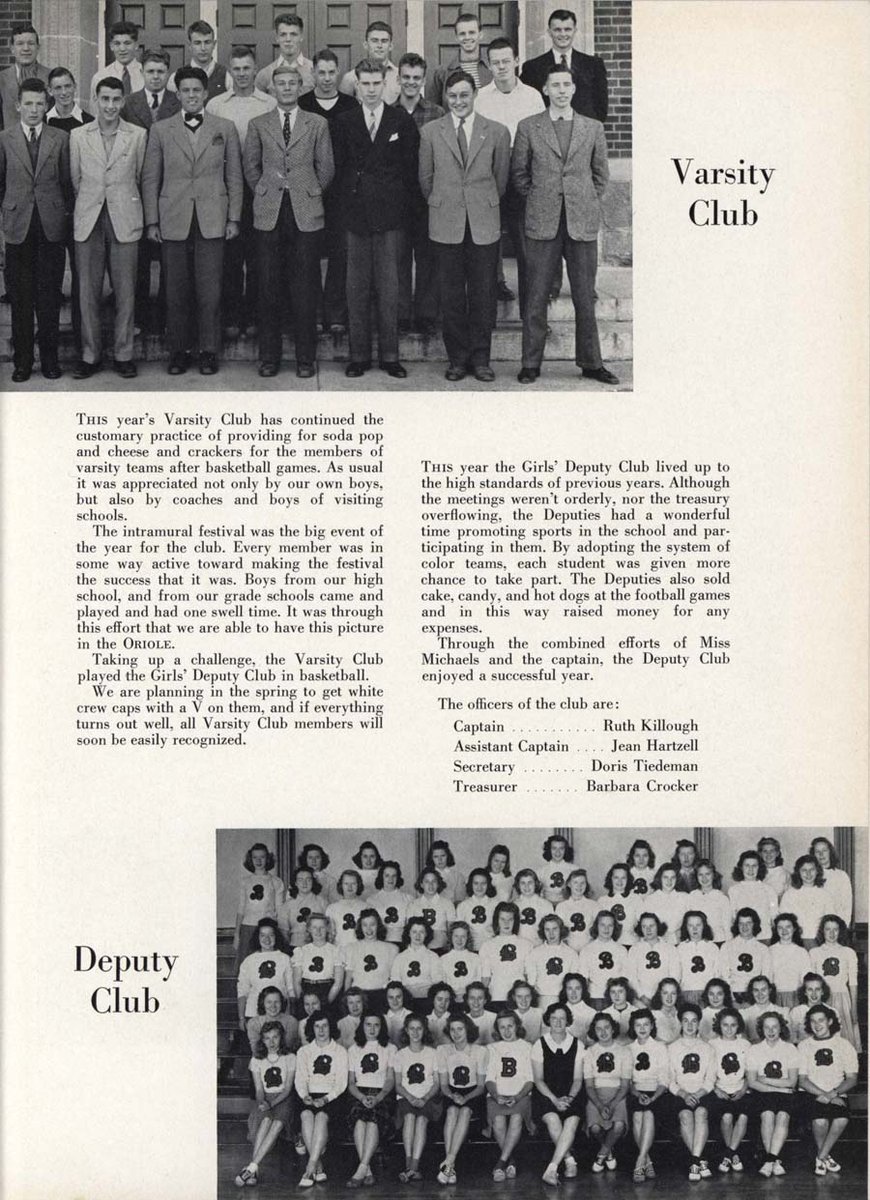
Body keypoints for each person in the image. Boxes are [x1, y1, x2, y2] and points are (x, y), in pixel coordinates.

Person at [512, 64, 617, 385]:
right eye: (554, 85)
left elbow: (601, 176)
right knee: (535, 295)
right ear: (545, 90)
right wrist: (542, 198)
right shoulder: (529, 127)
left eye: (565, 85)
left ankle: (591, 362)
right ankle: (531, 362)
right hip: (542, 222)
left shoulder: (592, 128)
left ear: (573, 89)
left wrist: (581, 199)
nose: (560, 90)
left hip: (581, 222)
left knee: (585, 296)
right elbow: (519, 175)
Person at [142, 65, 242, 375]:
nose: (191, 96)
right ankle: (179, 351)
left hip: (212, 216)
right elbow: (149, 178)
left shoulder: (224, 128)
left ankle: (209, 350)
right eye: (185, 90)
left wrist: (234, 218)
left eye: (197, 90)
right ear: (178, 94)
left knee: (210, 290)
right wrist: (152, 221)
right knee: (176, 290)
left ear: (206, 93)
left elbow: (234, 176)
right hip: (173, 217)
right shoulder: (161, 129)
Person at [418, 70, 510, 382]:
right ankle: (457, 359)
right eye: (452, 96)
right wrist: (448, 202)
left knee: (484, 294)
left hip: (483, 222)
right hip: (446, 223)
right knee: (451, 294)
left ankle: (481, 359)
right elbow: (425, 179)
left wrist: (477, 203)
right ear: (445, 97)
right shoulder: (431, 132)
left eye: (464, 95)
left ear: (474, 96)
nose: (458, 101)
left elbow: (500, 180)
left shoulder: (496, 132)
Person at [243, 63, 332, 379]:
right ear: (271, 89)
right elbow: (250, 167)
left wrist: (307, 191)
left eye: (293, 83)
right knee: (268, 286)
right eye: (280, 83)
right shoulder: (258, 124)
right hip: (269, 213)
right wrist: (268, 190)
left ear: (301, 87)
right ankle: (269, 357)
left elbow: (326, 168)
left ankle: (305, 358)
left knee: (305, 287)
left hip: (305, 213)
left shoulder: (317, 123)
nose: (286, 88)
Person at [332, 59, 418, 380]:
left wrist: (401, 212)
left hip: (389, 215)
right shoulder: (343, 121)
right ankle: (358, 356)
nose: (370, 89)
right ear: (356, 85)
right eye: (364, 84)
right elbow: (338, 171)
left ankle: (390, 355)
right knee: (356, 287)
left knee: (389, 286)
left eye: (375, 83)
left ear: (385, 84)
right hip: (355, 215)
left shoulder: (400, 121)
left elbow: (409, 172)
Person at [69, 77, 146, 380]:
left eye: (116, 99)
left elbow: (139, 177)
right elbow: (76, 180)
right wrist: (93, 202)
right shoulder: (78, 136)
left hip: (124, 218)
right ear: (95, 100)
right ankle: (90, 355)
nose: (111, 105)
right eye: (105, 99)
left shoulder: (138, 135)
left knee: (125, 290)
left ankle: (123, 353)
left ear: (123, 101)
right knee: (87, 290)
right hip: (89, 218)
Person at [0, 77, 70, 381]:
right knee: (21, 298)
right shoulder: (4, 139)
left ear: (48, 104)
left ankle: (51, 359)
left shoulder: (60, 138)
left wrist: (62, 219)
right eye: (28, 103)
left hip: (51, 229)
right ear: (17, 106)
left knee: (49, 297)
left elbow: (67, 184)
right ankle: (23, 361)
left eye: (40, 103)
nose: (34, 109)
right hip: (18, 227)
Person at [207, 46, 276, 340]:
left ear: (255, 69)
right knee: (231, 258)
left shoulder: (269, 103)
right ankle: (233, 317)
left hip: (261, 187)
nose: (242, 74)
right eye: (236, 69)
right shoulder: (216, 105)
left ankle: (259, 318)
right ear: (230, 72)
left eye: (247, 68)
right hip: (227, 187)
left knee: (261, 257)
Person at [475, 38, 545, 309]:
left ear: (516, 61)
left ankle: (531, 311)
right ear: (489, 65)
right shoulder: (481, 98)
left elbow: (539, 139)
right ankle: (491, 299)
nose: (501, 67)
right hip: (490, 175)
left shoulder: (532, 97)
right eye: (495, 62)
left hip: (523, 175)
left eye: (506, 61)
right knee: (488, 243)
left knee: (526, 246)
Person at [299, 48, 357, 334]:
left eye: (331, 72)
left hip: (343, 193)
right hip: (307, 190)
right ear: (312, 74)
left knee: (340, 253)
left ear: (339, 73)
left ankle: (335, 311)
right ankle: (311, 311)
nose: (326, 78)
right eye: (320, 72)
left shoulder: (351, 105)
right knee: (306, 254)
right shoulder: (301, 104)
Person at [122, 49, 180, 332]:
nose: (155, 76)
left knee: (171, 256)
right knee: (141, 258)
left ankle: (169, 319)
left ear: (167, 73)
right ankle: (142, 319)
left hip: (172, 186)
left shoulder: (177, 101)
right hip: (137, 186)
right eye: (150, 71)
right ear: (141, 73)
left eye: (160, 71)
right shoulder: (129, 103)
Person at [392, 53, 443, 335]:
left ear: (423, 81)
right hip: (398, 198)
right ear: (398, 79)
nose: (411, 83)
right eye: (406, 78)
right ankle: (400, 314)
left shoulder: (436, 113)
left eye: (416, 78)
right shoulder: (388, 113)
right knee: (398, 258)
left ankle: (426, 314)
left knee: (427, 258)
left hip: (429, 198)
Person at [46, 66, 91, 360]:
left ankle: (81, 341)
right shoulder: (43, 121)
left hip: (81, 212)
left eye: (67, 86)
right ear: (50, 91)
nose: (63, 92)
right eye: (57, 87)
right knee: (49, 279)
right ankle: (47, 339)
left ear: (75, 87)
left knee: (81, 279)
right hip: (50, 214)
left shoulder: (88, 122)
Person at [797, 1004, 858, 1176]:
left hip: (837, 1092)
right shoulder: (804, 1046)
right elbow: (802, 1080)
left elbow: (852, 1079)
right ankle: (825, 1157)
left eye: (821, 1020)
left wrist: (832, 1094)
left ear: (830, 1021)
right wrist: (823, 1094)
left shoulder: (844, 1045)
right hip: (811, 1093)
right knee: (820, 1121)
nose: (817, 1025)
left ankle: (821, 1156)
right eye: (813, 1021)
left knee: (841, 1119)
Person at [234, 1020, 296, 1188]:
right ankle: (255, 1170)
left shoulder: (290, 1057)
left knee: (276, 1123)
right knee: (265, 1121)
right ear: (262, 1040)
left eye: (275, 1037)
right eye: (267, 1038)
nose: (272, 1042)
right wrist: (263, 1102)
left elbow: (288, 1088)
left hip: (284, 1099)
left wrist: (273, 1103)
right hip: (266, 1098)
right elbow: (259, 1089)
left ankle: (252, 1167)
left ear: (281, 1037)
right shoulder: (257, 1059)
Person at [520, 7, 608, 122]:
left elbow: (601, 106)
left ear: (575, 31)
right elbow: (527, 104)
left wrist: (590, 130)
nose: (563, 34)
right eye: (557, 30)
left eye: (567, 29)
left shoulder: (594, 65)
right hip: (546, 132)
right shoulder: (532, 67)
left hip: (583, 132)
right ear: (549, 32)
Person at [295, 1012, 349, 1188]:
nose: (321, 1030)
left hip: (333, 1098)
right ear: (312, 1029)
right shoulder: (304, 1051)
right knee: (306, 1115)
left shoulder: (340, 1051)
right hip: (309, 1095)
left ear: (331, 1027)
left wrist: (325, 1099)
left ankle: (310, 1166)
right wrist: (305, 1096)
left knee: (320, 1117)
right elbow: (300, 1079)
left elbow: (341, 1083)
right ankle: (318, 1166)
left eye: (324, 1026)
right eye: (317, 1026)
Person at [532, 1002, 583, 1185]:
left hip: (571, 1093)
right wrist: (554, 1100)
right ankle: (569, 1160)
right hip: (546, 1094)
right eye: (554, 1018)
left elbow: (578, 1079)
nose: (558, 1022)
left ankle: (551, 1168)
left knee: (572, 1120)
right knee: (553, 1118)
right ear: (548, 1020)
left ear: (568, 1020)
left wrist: (568, 1098)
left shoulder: (578, 1044)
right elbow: (538, 1079)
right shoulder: (539, 1044)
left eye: (562, 1018)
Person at [436, 1013, 488, 1185]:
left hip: (473, 1094)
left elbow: (481, 1086)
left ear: (468, 1030)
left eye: (460, 1029)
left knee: (464, 1111)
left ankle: (449, 1162)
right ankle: (450, 1166)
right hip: (452, 1092)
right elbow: (443, 1085)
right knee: (451, 1111)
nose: (456, 1033)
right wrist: (453, 1096)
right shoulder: (443, 1050)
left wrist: (465, 1098)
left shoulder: (480, 1051)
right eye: (452, 1029)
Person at [345, 1013, 395, 1188]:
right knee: (360, 1120)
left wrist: (378, 1097)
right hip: (359, 1094)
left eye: (376, 1025)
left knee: (373, 1120)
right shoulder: (353, 1049)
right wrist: (362, 1097)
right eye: (368, 1025)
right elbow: (351, 1083)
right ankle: (366, 1170)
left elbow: (390, 1080)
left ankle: (362, 1169)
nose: (372, 1029)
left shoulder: (390, 1048)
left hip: (382, 1094)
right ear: (362, 1026)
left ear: (382, 1028)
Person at [667, 1003, 716, 1181]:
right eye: (686, 1021)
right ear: (680, 1022)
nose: (689, 1025)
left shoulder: (707, 1048)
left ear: (699, 1023)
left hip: (703, 1093)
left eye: (694, 1021)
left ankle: (694, 1161)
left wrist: (698, 1094)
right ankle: (700, 1160)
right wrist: (684, 1095)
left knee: (701, 1113)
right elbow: (669, 1079)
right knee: (686, 1116)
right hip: (680, 1094)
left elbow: (710, 1080)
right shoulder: (672, 1048)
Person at [747, 1012, 798, 1176]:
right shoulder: (754, 1050)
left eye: (775, 1026)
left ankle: (769, 1161)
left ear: (781, 1028)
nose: (771, 1030)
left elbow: (792, 1081)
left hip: (784, 1093)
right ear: (761, 1029)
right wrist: (779, 1087)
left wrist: (766, 1079)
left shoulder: (790, 1048)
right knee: (767, 1116)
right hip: (763, 1093)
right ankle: (774, 1160)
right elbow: (753, 1082)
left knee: (782, 1116)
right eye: (766, 1027)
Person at [486, 1010, 534, 1180]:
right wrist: (496, 1095)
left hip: (521, 1095)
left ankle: (500, 1163)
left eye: (510, 1026)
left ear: (517, 1026)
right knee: (498, 1120)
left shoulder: (527, 1047)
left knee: (516, 1117)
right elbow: (489, 1079)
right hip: (497, 1095)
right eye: (502, 1027)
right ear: (497, 1030)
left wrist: (518, 1097)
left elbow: (530, 1080)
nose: (506, 1031)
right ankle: (511, 1161)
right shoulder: (492, 1048)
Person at [394, 1013, 442, 1182]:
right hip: (407, 1098)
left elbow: (436, 1083)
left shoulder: (433, 1053)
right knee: (409, 1117)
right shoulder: (400, 1054)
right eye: (412, 1029)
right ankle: (409, 1165)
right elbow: (398, 1085)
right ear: (406, 1031)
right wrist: (411, 1097)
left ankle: (414, 1166)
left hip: (428, 1099)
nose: (415, 1032)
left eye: (419, 1028)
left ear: (424, 1030)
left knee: (421, 1120)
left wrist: (425, 1097)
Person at [584, 1011, 630, 1172]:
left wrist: (611, 1105)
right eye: (598, 1029)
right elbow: (589, 1085)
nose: (603, 1032)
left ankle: (601, 1155)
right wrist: (599, 1105)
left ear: (613, 1029)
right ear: (594, 1031)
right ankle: (609, 1152)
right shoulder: (589, 1052)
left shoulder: (624, 1051)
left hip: (618, 1094)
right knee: (595, 1128)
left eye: (607, 1027)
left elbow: (625, 1085)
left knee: (618, 1126)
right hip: (596, 1094)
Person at [627, 1008, 669, 1181]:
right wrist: (637, 1094)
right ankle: (647, 1161)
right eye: (638, 1025)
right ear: (633, 1027)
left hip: (657, 1092)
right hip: (636, 1091)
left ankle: (639, 1161)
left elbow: (664, 1080)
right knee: (638, 1115)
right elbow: (627, 1081)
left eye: (646, 1024)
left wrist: (653, 1097)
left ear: (652, 1026)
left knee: (649, 1113)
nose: (642, 1028)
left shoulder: (660, 1047)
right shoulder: (628, 1048)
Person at [707, 1008, 751, 1174]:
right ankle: (733, 1154)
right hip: (720, 1090)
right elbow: (708, 1073)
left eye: (733, 1025)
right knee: (726, 1117)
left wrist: (743, 1090)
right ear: (719, 1025)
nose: (729, 1029)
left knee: (743, 1116)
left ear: (738, 1026)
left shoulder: (745, 1044)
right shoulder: (712, 1044)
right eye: (725, 1025)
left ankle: (728, 1155)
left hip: (741, 1090)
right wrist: (716, 1090)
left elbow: (749, 1074)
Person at [809, 914, 861, 1049]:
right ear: (822, 931)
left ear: (840, 931)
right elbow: (811, 982)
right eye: (828, 929)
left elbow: (853, 983)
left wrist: (853, 1009)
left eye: (835, 930)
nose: (831, 933)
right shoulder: (814, 952)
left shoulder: (848, 952)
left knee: (842, 1040)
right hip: (821, 999)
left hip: (842, 998)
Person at [236, 918, 294, 1034]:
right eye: (262, 935)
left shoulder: (285, 959)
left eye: (271, 935)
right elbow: (242, 992)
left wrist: (288, 1016)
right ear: (257, 938)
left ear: (276, 937)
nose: (267, 939)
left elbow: (290, 991)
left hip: (279, 1013)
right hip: (253, 1013)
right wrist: (241, 1018)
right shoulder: (249, 961)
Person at [232, 843, 285, 969]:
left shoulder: (276, 882)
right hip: (248, 928)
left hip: (267, 928)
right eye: (255, 857)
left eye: (262, 857)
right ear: (251, 859)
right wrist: (236, 934)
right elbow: (241, 908)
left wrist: (281, 933)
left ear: (268, 859)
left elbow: (280, 910)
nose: (258, 861)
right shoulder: (245, 881)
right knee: (247, 966)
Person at [342, 908, 398, 1012]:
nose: (369, 929)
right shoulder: (351, 948)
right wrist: (346, 1001)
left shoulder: (391, 948)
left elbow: (393, 978)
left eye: (372, 924)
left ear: (378, 926)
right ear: (360, 927)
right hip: (359, 997)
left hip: (381, 995)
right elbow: (348, 979)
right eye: (365, 925)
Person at [478, 902, 532, 1007]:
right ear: (496, 921)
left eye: (510, 919)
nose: (506, 923)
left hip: (520, 999)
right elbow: (486, 977)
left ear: (515, 921)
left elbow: (528, 975)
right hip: (496, 996)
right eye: (502, 919)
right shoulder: (487, 945)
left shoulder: (527, 945)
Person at [0, 23, 50, 130]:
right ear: (12, 49)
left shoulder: (50, 76)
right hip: (8, 144)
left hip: (43, 143)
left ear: (38, 48)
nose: (26, 48)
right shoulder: (2, 79)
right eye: (20, 43)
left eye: (31, 43)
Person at [291, 912, 344, 1010]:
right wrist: (303, 1002)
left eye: (322, 927)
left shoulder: (335, 951)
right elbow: (296, 982)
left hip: (327, 991)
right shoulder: (301, 951)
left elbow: (338, 982)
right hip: (306, 990)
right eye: (314, 927)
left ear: (327, 929)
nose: (318, 931)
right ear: (309, 929)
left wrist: (326, 1002)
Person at [168, 20, 231, 100]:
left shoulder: (226, 76)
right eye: (197, 43)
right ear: (190, 45)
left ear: (214, 44)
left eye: (207, 42)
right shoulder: (175, 78)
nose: (203, 48)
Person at [255, 12, 314, 97]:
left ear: (301, 37)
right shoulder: (265, 74)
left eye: (293, 34)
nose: (288, 39)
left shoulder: (314, 71)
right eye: (283, 34)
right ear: (277, 38)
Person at [340, 22, 400, 104]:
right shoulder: (351, 77)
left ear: (390, 46)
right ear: (366, 45)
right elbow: (344, 110)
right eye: (374, 41)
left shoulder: (399, 76)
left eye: (384, 41)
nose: (379, 45)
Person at [629, 912, 680, 1004]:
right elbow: (631, 975)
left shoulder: (669, 948)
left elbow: (675, 974)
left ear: (658, 926)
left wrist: (666, 995)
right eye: (644, 926)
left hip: (665, 998)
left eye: (651, 926)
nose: (648, 930)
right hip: (642, 999)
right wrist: (641, 996)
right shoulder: (635, 949)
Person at [729, 849, 778, 940]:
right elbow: (732, 918)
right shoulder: (734, 890)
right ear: (741, 867)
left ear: (759, 868)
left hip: (764, 937)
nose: (750, 869)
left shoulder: (769, 890)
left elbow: (774, 918)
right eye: (747, 865)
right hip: (742, 938)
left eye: (754, 866)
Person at [92, 21, 144, 107]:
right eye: (117, 44)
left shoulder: (146, 75)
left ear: (136, 45)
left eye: (127, 43)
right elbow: (95, 111)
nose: (122, 49)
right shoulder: (100, 77)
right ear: (111, 46)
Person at [767, 913, 812, 1009]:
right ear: (776, 930)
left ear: (794, 928)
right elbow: (768, 977)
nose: (784, 931)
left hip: (796, 997)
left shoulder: (801, 952)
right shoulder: (770, 951)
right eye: (780, 927)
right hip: (776, 997)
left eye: (788, 927)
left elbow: (805, 979)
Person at [675, 911, 721, 1004]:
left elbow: (717, 973)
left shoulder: (712, 947)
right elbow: (677, 974)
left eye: (698, 925)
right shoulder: (680, 948)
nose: (695, 929)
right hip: (686, 992)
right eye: (690, 925)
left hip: (708, 994)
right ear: (686, 927)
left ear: (704, 926)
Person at [277, 866, 326, 950]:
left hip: (318, 947)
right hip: (294, 947)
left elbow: (328, 928)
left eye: (308, 879)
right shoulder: (288, 905)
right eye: (300, 880)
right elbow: (283, 932)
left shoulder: (322, 902)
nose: (304, 883)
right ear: (295, 883)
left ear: (313, 882)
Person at [810, 836, 853, 923]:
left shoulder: (841, 876)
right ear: (813, 855)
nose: (821, 854)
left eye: (824, 850)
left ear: (830, 852)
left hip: (835, 927)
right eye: (817, 852)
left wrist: (842, 928)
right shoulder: (809, 876)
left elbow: (847, 907)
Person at [371, 860, 413, 944]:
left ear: (398, 877)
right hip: (380, 943)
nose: (390, 879)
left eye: (394, 876)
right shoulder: (372, 900)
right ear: (381, 877)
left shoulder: (408, 898)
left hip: (402, 943)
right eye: (387, 875)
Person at [457, 868, 499, 951]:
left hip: (491, 949)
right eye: (476, 883)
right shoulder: (463, 905)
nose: (479, 887)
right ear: (470, 884)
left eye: (483, 883)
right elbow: (459, 930)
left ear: (488, 884)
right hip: (469, 949)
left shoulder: (496, 904)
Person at [556, 868, 597, 951]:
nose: (579, 886)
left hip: (589, 949)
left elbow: (598, 929)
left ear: (586, 885)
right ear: (569, 884)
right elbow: (558, 931)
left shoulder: (594, 905)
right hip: (567, 950)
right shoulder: (561, 907)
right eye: (575, 882)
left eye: (582, 883)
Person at [325, 869, 366, 948]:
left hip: (360, 950)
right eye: (346, 883)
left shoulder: (366, 907)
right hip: (339, 949)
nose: (350, 887)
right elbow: (329, 935)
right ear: (341, 885)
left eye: (353, 883)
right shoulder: (331, 908)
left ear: (358, 885)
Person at [513, 869, 553, 943]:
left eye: (530, 882)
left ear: (536, 884)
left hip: (539, 945)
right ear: (518, 885)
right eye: (523, 883)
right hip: (520, 945)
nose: (526, 886)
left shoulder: (546, 905)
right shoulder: (514, 905)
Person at [425, 840, 466, 906]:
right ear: (431, 858)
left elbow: (460, 900)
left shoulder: (458, 876)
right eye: (436, 857)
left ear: (448, 856)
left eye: (443, 856)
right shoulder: (426, 876)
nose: (440, 859)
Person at [538, 834, 574, 904]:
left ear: (566, 850)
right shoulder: (541, 871)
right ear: (549, 850)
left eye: (561, 848)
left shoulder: (573, 869)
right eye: (554, 848)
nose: (558, 852)